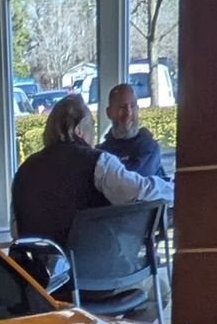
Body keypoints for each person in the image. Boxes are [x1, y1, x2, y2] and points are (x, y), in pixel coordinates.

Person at [11, 94, 173, 249]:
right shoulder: (98, 162)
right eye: (92, 126)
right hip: (93, 264)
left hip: (38, 266)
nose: (95, 134)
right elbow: (139, 191)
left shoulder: (24, 170)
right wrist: (175, 188)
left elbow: (15, 230)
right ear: (78, 130)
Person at [100, 83, 163, 180]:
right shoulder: (102, 151)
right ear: (109, 112)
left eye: (132, 106)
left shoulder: (150, 148)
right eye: (122, 107)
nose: (128, 113)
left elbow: (132, 182)